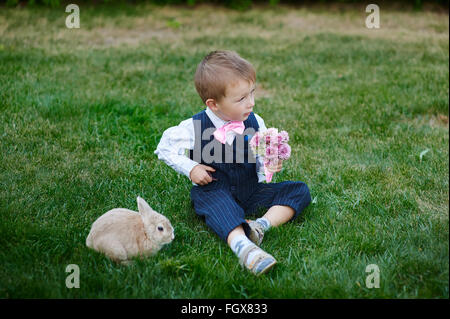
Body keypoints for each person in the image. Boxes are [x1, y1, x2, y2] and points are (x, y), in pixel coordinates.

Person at [155, 50, 311, 275]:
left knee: (299, 190)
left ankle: (259, 226)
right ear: (214, 104)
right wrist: (192, 168)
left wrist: (268, 164)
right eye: (241, 99)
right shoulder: (195, 125)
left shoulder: (256, 121)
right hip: (215, 189)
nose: (251, 103)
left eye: (252, 93)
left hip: (250, 191)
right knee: (216, 203)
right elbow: (165, 147)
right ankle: (244, 248)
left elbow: (261, 156)